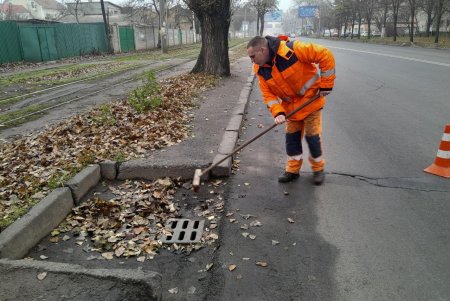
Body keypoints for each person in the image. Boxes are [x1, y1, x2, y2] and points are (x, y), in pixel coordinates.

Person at [247, 35, 336, 185]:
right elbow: (268, 95)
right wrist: (278, 112)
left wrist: (326, 84)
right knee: (292, 140)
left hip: (311, 102)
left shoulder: (292, 49)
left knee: (312, 137)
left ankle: (318, 169)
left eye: (253, 56)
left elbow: (324, 54)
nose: (252, 60)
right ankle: (293, 171)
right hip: (291, 109)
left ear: (262, 50)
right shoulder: (260, 69)